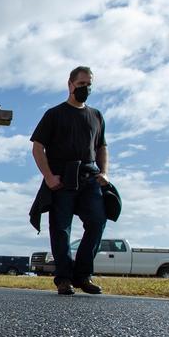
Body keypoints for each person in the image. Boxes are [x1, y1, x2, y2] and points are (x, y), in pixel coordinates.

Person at [30, 66, 109, 296]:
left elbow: (102, 147)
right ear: (70, 85)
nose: (86, 88)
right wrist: (48, 176)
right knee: (61, 228)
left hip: (89, 176)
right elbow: (37, 147)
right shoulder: (54, 114)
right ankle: (64, 278)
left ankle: (83, 275)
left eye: (89, 84)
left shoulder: (96, 115)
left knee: (97, 221)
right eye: (82, 84)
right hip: (62, 179)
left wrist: (104, 173)